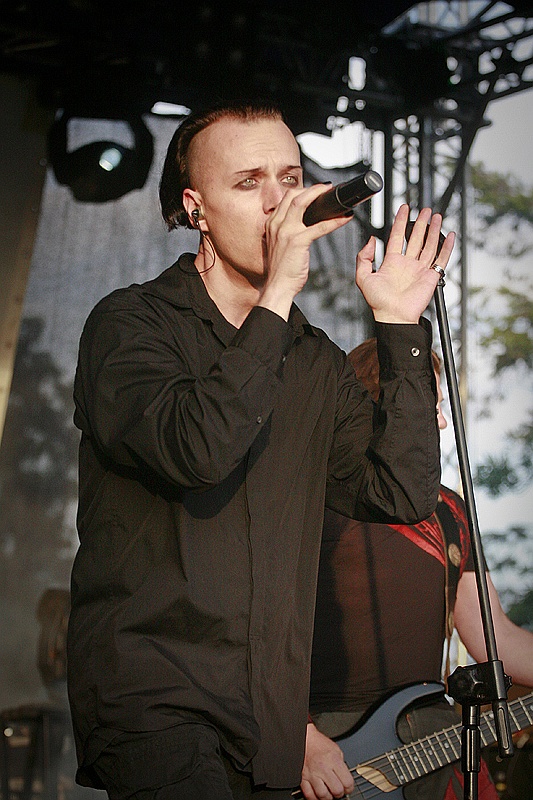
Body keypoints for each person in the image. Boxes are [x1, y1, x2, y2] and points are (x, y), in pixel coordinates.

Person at [67, 100, 455, 800]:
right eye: (248, 183)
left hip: (269, 716)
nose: (280, 202)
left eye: (290, 176)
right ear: (196, 209)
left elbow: (398, 493)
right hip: (159, 704)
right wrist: (278, 288)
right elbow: (198, 449)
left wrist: (398, 325)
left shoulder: (312, 360)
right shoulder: (131, 325)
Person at [301, 337, 533, 800]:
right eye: (434, 406)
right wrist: (297, 737)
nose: (443, 421)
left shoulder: (450, 510)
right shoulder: (309, 499)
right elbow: (255, 631)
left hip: (435, 740)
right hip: (330, 745)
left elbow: (495, 639)